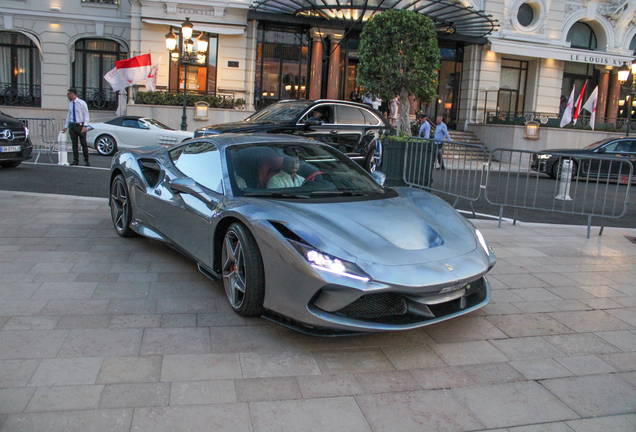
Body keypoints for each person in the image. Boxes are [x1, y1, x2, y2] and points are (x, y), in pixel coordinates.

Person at [62, 88, 90, 166]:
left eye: (68, 94)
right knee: (74, 143)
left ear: (72, 94)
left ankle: (86, 160)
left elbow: (86, 115)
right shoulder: (70, 104)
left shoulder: (81, 103)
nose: (67, 96)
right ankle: (75, 160)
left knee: (83, 143)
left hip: (80, 125)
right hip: (72, 125)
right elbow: (69, 115)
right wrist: (66, 126)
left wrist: (85, 125)